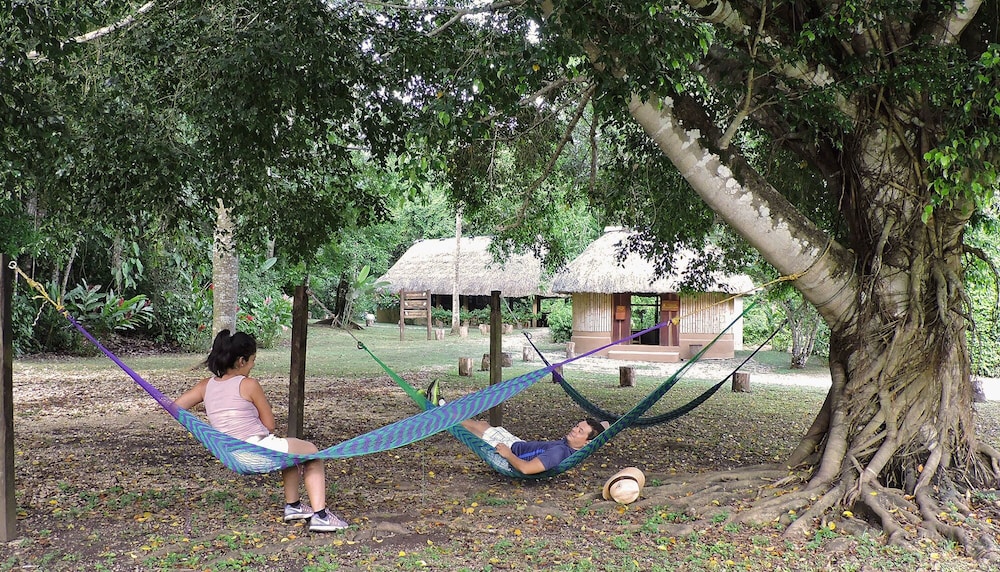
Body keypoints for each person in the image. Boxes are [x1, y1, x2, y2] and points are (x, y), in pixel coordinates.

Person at [173, 330, 348, 532]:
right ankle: (321, 516)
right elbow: (270, 425)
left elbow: (176, 407)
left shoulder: (205, 386)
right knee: (311, 453)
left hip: (233, 454)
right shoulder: (249, 384)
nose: (253, 365)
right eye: (252, 360)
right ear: (241, 361)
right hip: (256, 450)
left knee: (290, 451)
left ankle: (294, 506)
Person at [460, 417, 609, 475]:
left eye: (580, 431)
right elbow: (605, 425)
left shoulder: (559, 452)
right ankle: (443, 407)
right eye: (576, 426)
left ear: (587, 442)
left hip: (509, 449)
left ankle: (441, 410)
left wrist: (507, 454)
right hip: (518, 444)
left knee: (474, 428)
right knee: (483, 424)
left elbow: (526, 469)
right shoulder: (572, 447)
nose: (574, 430)